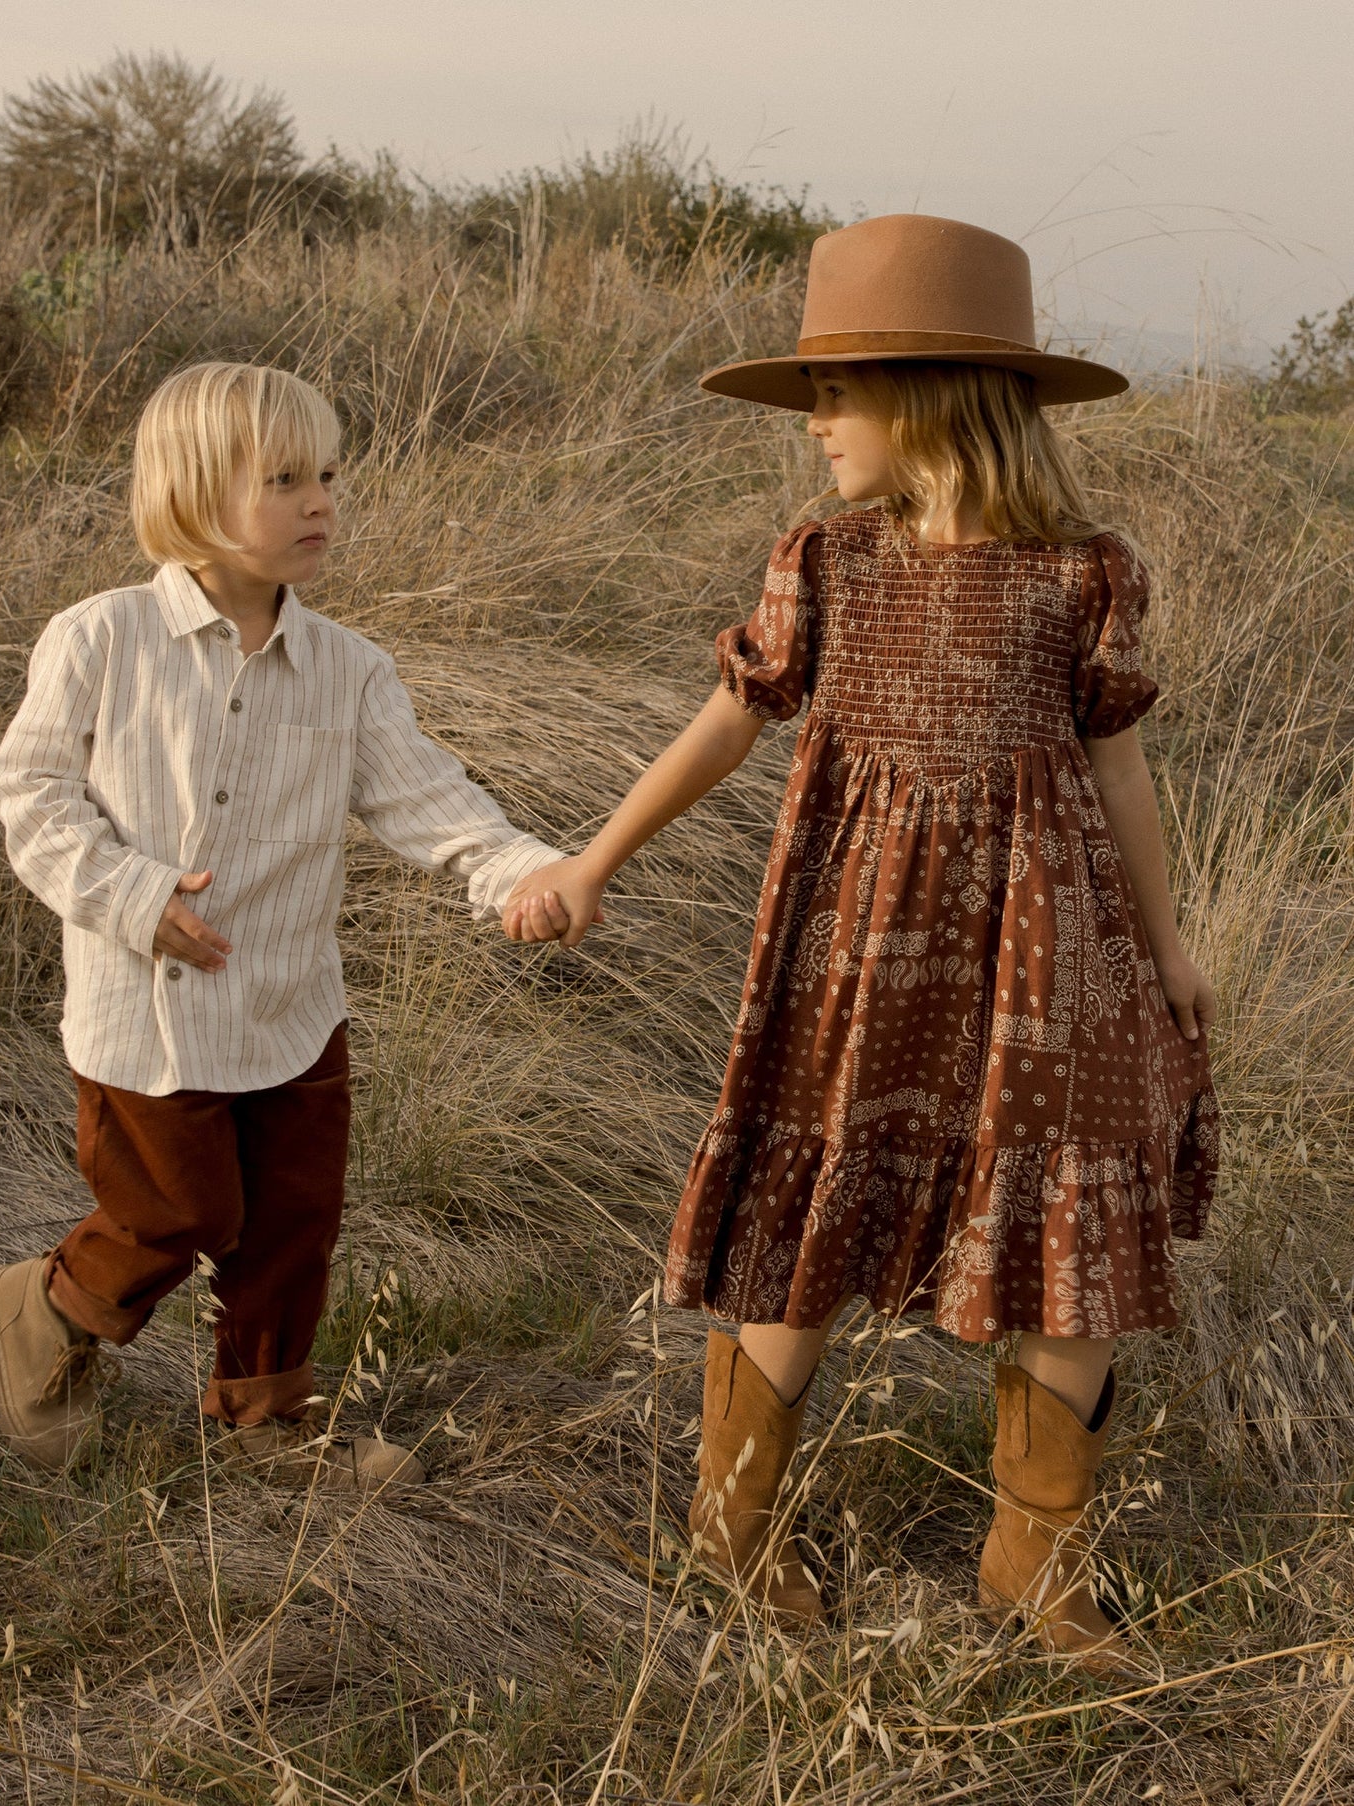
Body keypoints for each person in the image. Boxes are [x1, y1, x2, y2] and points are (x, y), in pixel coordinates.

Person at [503, 216, 1218, 1670]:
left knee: (1068, 1212)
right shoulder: (823, 559)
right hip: (860, 939)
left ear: (937, 394)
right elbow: (727, 723)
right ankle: (734, 1521)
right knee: (812, 1206)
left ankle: (1037, 1553)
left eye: (840, 394)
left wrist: (1170, 944)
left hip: (1050, 943)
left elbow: (1120, 771)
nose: (816, 426)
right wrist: (592, 859)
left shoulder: (1082, 573)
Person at [0, 361, 562, 1488]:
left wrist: (525, 871)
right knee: (181, 1209)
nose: (319, 503)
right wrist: (137, 899)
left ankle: (265, 1420)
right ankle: (47, 1307)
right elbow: (32, 799)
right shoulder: (101, 639)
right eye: (283, 478)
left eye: (328, 476)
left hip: (293, 1005)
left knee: (293, 1216)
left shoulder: (348, 670)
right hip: (147, 1010)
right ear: (193, 494)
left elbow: (429, 800)